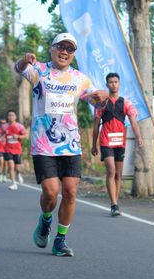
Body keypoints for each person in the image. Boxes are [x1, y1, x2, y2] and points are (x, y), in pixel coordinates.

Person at [14, 32, 108, 257]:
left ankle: (60, 240)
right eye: (61, 47)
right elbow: (18, 68)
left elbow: (95, 99)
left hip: (71, 144)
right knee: (50, 193)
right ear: (52, 48)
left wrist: (102, 96)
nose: (65, 52)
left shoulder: (80, 78)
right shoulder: (39, 71)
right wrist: (25, 60)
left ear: (73, 54)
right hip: (43, 143)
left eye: (70, 49)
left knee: (70, 191)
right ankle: (46, 219)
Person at [92, 72, 143, 216]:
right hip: (106, 141)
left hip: (120, 142)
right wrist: (93, 144)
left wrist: (139, 137)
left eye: (116, 82)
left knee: (118, 174)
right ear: (107, 85)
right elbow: (95, 125)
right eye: (111, 82)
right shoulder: (101, 104)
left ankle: (116, 203)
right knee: (111, 170)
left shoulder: (126, 103)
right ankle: (113, 204)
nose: (113, 84)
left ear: (119, 84)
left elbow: (133, 122)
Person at [4, 110, 26, 189]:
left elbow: (25, 135)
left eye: (12, 115)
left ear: (15, 117)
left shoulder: (19, 126)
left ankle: (18, 174)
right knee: (10, 165)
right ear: (7, 117)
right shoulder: (4, 126)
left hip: (17, 149)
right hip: (8, 149)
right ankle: (14, 183)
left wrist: (18, 136)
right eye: (9, 115)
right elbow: (0, 135)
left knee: (17, 167)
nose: (11, 117)